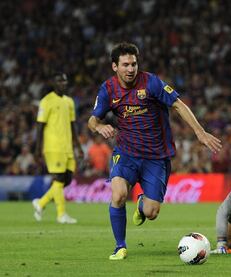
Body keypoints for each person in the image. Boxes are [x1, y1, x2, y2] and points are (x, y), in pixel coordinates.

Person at [87, 42, 222, 260]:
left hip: (156, 157)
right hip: (126, 153)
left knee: (151, 213)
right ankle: (120, 246)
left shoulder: (151, 82)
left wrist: (200, 132)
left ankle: (142, 204)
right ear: (115, 67)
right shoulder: (108, 89)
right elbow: (92, 120)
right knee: (119, 194)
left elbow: (178, 105)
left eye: (133, 64)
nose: (131, 69)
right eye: (125, 65)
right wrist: (100, 126)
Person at [32, 72, 84, 224]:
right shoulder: (46, 101)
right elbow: (40, 126)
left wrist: (78, 147)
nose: (63, 84)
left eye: (65, 81)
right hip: (53, 146)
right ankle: (61, 214)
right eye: (59, 81)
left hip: (67, 147)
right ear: (53, 83)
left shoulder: (69, 102)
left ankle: (41, 203)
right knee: (59, 179)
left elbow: (73, 126)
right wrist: (37, 148)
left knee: (66, 180)